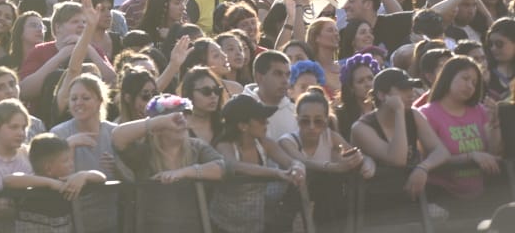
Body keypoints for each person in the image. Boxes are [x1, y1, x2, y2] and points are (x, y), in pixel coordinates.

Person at [112, 94, 225, 233]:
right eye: (174, 118)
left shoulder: (197, 147)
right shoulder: (144, 153)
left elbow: (223, 168)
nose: (181, 121)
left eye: (184, 115)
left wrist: (182, 173)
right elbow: (117, 137)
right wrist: (157, 122)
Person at [350, 67, 451, 214]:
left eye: (411, 88)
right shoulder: (361, 127)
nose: (410, 94)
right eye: (403, 89)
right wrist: (398, 111)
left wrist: (423, 167)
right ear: (382, 95)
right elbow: (398, 159)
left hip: (411, 197)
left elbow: (441, 151)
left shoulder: (414, 115)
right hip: (376, 208)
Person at [278, 86, 374, 227]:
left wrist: (367, 164)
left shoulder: (330, 136)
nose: (311, 127)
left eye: (318, 121)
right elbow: (303, 162)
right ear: (297, 119)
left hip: (322, 208)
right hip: (291, 209)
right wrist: (336, 167)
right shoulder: (286, 141)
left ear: (326, 120)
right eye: (305, 121)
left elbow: (358, 154)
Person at [210, 94, 306, 233]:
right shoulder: (224, 145)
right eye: (261, 120)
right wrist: (276, 173)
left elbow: (290, 161)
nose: (267, 123)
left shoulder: (265, 143)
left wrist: (297, 168)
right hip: (223, 226)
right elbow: (235, 166)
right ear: (243, 126)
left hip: (255, 225)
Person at [416, 55, 502, 202]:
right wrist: (471, 156)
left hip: (481, 196)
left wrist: (495, 125)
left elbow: (494, 155)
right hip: (442, 196)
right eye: (465, 79)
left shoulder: (480, 110)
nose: (470, 86)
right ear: (448, 77)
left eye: (474, 83)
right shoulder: (426, 114)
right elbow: (430, 158)